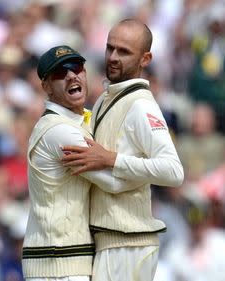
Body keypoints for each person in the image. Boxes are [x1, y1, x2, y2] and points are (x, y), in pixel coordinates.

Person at [61, 19, 184, 281]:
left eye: (124, 51)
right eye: (110, 48)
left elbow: (173, 171)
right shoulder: (108, 97)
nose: (113, 57)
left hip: (129, 244)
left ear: (145, 58)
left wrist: (111, 159)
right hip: (110, 240)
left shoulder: (142, 105)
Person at [22, 45, 150, 281]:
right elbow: (113, 184)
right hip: (58, 264)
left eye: (77, 68)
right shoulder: (61, 132)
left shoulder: (77, 122)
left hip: (64, 259)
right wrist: (154, 169)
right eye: (60, 73)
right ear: (46, 87)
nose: (72, 75)